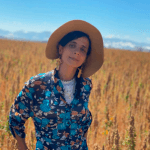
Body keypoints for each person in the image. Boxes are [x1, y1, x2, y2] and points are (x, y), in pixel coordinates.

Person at [8, 20, 104, 150]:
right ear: (61, 49)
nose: (77, 52)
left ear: (86, 57)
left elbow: (84, 121)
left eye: (83, 49)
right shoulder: (37, 84)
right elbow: (16, 118)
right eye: (72, 45)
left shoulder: (86, 85)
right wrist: (22, 147)